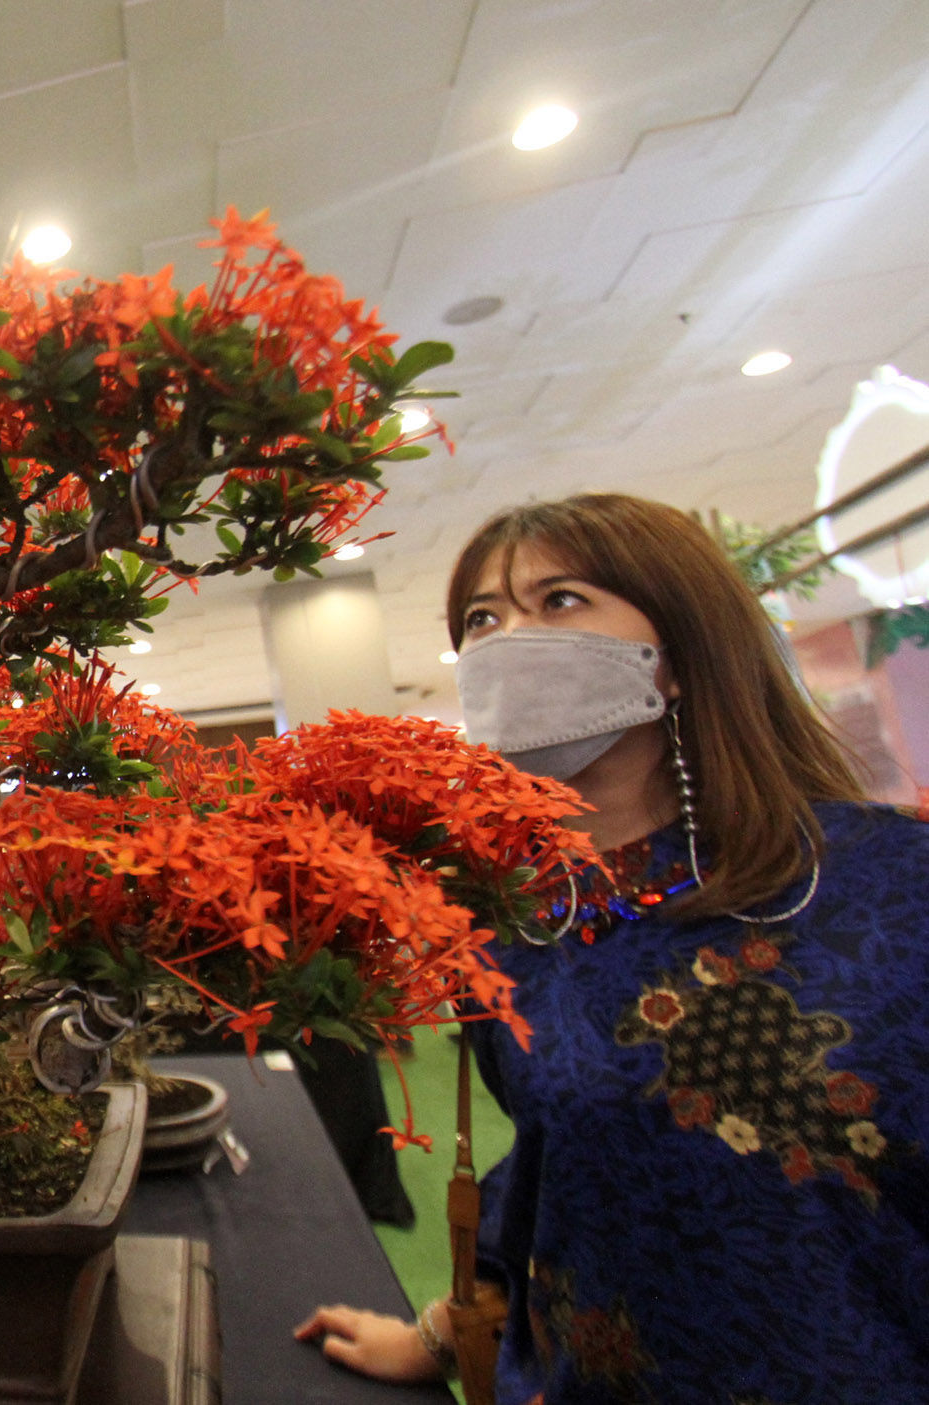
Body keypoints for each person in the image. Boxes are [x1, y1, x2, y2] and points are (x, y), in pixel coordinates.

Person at [294, 493, 929, 1403]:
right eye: (482, 617)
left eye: (557, 600)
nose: (507, 639)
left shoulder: (889, 882)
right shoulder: (511, 921)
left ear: (678, 650)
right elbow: (567, 1157)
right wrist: (442, 1332)